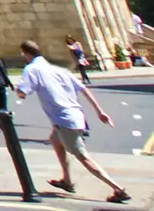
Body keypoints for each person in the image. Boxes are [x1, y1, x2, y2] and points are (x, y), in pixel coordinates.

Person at [16, 39, 129, 203]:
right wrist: (100, 112)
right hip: (74, 114)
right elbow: (83, 89)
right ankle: (67, 181)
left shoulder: (32, 69)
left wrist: (19, 91)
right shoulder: (58, 70)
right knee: (55, 140)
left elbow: (22, 92)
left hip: (64, 119)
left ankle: (118, 189)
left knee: (83, 157)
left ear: (25, 54)